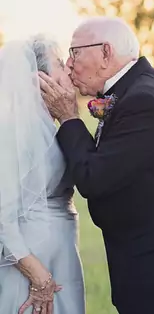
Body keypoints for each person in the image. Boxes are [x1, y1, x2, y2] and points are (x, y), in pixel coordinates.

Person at [38, 17, 154, 314]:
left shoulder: (143, 100)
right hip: (151, 271)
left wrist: (69, 117)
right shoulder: (132, 90)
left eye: (75, 52)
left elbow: (93, 177)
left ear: (105, 53)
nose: (70, 65)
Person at [0, 35, 85, 314]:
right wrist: (37, 275)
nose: (69, 68)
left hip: (63, 254)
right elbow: (3, 215)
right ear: (39, 78)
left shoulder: (52, 125)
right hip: (33, 262)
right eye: (60, 63)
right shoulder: (16, 134)